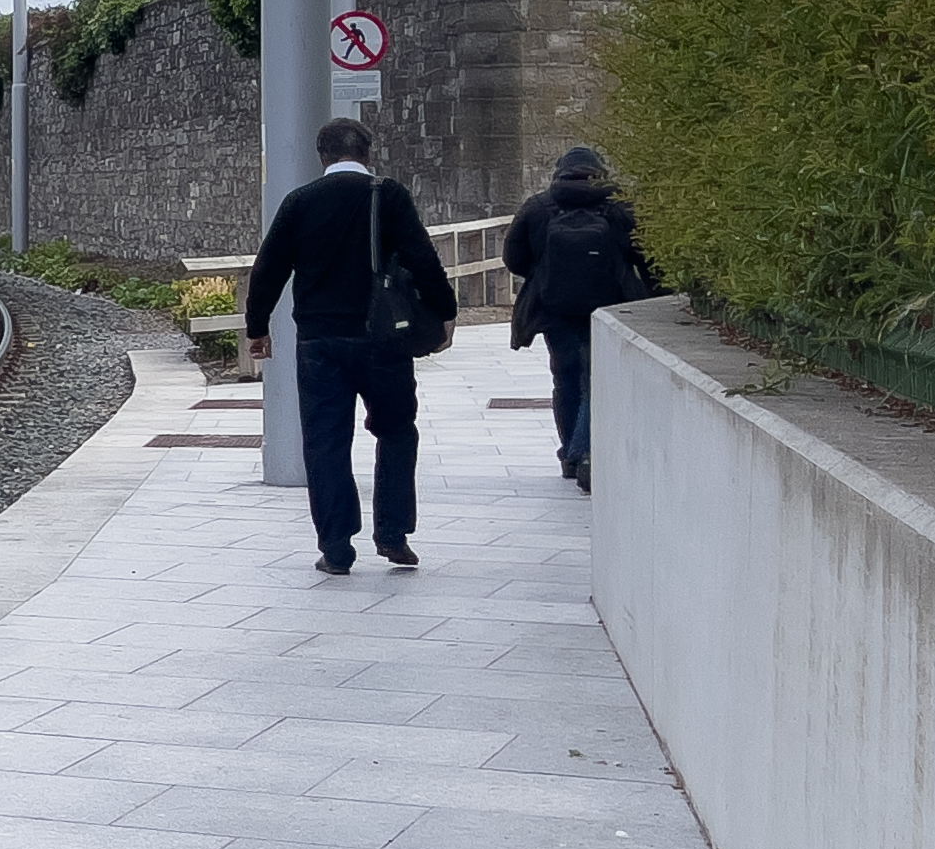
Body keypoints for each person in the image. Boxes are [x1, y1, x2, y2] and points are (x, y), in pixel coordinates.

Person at [243, 116, 457, 575]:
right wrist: (445, 314)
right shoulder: (388, 196)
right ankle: (393, 534)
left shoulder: (300, 202)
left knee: (325, 443)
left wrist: (257, 327)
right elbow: (423, 258)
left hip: (319, 343)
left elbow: (269, 268)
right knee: (397, 431)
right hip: (384, 338)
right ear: (366, 153)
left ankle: (337, 547)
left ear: (322, 156)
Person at [506, 145, 653, 492]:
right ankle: (585, 450)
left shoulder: (538, 206)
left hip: (553, 309)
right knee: (596, 381)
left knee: (565, 378)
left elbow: (514, 258)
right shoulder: (619, 209)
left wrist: (547, 273)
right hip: (607, 309)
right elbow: (645, 256)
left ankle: (570, 455)